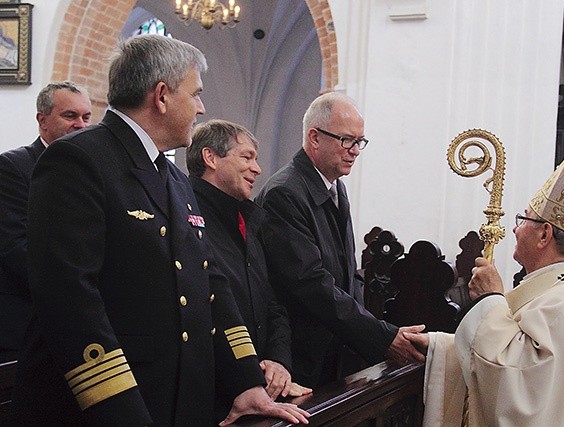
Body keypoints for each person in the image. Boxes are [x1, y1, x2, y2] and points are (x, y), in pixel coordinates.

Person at [11, 35, 308, 426]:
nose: (202, 107)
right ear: (162, 96)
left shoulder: (172, 176)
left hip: (176, 400)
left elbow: (209, 282)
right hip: (108, 406)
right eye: (196, 94)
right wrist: (121, 410)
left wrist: (245, 382)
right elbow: (69, 298)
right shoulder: (78, 160)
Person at [406, 127, 564, 426]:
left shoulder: (562, 302)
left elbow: (517, 386)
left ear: (544, 234)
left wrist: (490, 299)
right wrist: (439, 346)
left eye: (523, 219)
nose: (515, 229)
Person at [255, 92, 425, 388]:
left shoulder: (335, 187)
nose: (355, 150)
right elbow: (311, 284)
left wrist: (374, 335)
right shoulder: (285, 194)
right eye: (347, 140)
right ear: (315, 137)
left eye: (360, 141)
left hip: (335, 352)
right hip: (300, 358)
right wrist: (380, 337)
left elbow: (346, 275)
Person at [187, 119, 313, 419]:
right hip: (213, 393)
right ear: (211, 158)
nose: (257, 168)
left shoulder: (249, 219)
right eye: (246, 157)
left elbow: (272, 303)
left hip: (259, 388)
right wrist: (245, 374)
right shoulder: (187, 215)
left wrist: (278, 361)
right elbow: (205, 312)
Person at [0, 81, 91, 363]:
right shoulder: (14, 167)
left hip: (80, 327)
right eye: (70, 116)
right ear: (42, 120)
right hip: (27, 327)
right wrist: (79, 289)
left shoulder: (91, 173)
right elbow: (16, 249)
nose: (80, 125)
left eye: (86, 117)